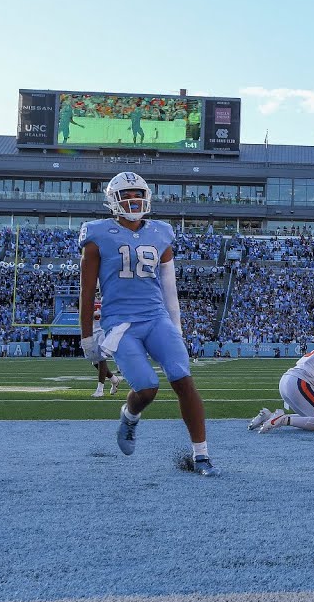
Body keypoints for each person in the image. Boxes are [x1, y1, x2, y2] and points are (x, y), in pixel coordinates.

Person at [78, 171, 219, 476]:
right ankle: (129, 417)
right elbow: (86, 291)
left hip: (156, 317)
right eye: (125, 195)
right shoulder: (97, 234)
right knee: (147, 388)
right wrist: (87, 337)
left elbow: (169, 286)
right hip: (120, 322)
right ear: (112, 201)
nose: (133, 200)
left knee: (183, 379)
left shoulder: (161, 232)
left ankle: (202, 455)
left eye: (137, 194)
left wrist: (176, 328)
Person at [88, 302, 124, 398]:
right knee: (94, 361)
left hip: (103, 331)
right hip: (92, 331)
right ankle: (114, 379)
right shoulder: (88, 296)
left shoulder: (108, 297)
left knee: (101, 359)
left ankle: (100, 390)